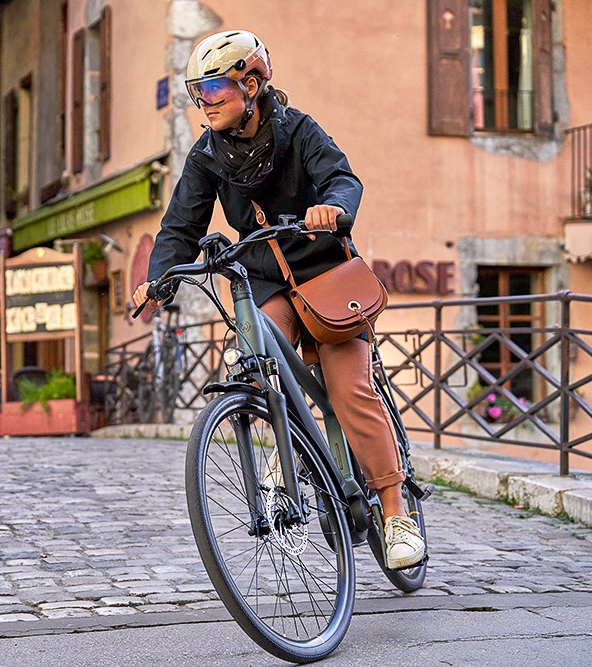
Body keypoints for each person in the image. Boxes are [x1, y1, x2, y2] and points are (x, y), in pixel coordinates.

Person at [132, 30, 424, 570]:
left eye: (214, 88)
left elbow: (341, 178)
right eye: (197, 91)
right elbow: (180, 226)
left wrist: (333, 208)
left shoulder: (298, 130)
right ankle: (287, 453)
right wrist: (159, 279)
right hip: (266, 280)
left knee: (349, 390)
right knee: (258, 351)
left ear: (251, 84)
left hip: (324, 275)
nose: (205, 101)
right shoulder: (207, 155)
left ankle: (395, 511)